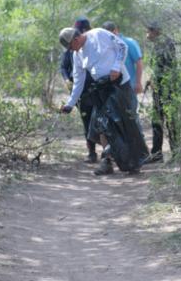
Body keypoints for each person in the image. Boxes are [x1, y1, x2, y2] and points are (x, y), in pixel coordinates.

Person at [59, 26, 145, 176]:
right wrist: (70, 104)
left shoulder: (98, 34)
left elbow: (122, 46)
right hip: (102, 89)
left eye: (71, 46)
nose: (72, 50)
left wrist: (116, 66)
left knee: (124, 124)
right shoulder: (77, 55)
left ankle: (134, 162)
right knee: (101, 125)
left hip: (120, 86)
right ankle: (107, 163)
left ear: (76, 39)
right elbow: (79, 80)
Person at [143, 21, 181, 164]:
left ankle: (177, 154)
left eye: (149, 32)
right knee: (156, 121)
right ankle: (157, 154)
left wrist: (159, 81)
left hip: (168, 90)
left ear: (156, 32)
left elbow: (169, 68)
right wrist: (152, 80)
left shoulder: (166, 44)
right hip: (159, 89)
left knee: (171, 122)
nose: (147, 35)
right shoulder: (157, 46)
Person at [60, 17, 98, 163]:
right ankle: (92, 152)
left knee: (103, 120)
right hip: (80, 92)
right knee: (87, 121)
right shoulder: (71, 49)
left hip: (97, 89)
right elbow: (63, 67)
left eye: (83, 30)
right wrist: (66, 80)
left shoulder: (94, 43)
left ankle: (110, 152)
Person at [102, 21, 144, 111]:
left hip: (129, 85)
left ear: (116, 30)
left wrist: (138, 82)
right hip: (114, 86)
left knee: (131, 112)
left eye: (111, 33)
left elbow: (139, 63)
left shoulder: (129, 43)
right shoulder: (105, 46)